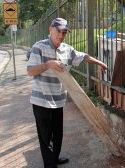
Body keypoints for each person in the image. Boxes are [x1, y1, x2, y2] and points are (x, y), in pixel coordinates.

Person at [27, 18, 107, 168]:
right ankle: (50, 165)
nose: (61, 35)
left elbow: (84, 57)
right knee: (45, 136)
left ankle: (55, 158)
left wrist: (100, 63)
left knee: (58, 133)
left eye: (64, 32)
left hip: (58, 100)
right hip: (41, 100)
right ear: (51, 29)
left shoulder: (67, 49)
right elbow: (30, 71)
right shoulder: (39, 47)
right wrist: (48, 64)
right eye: (59, 31)